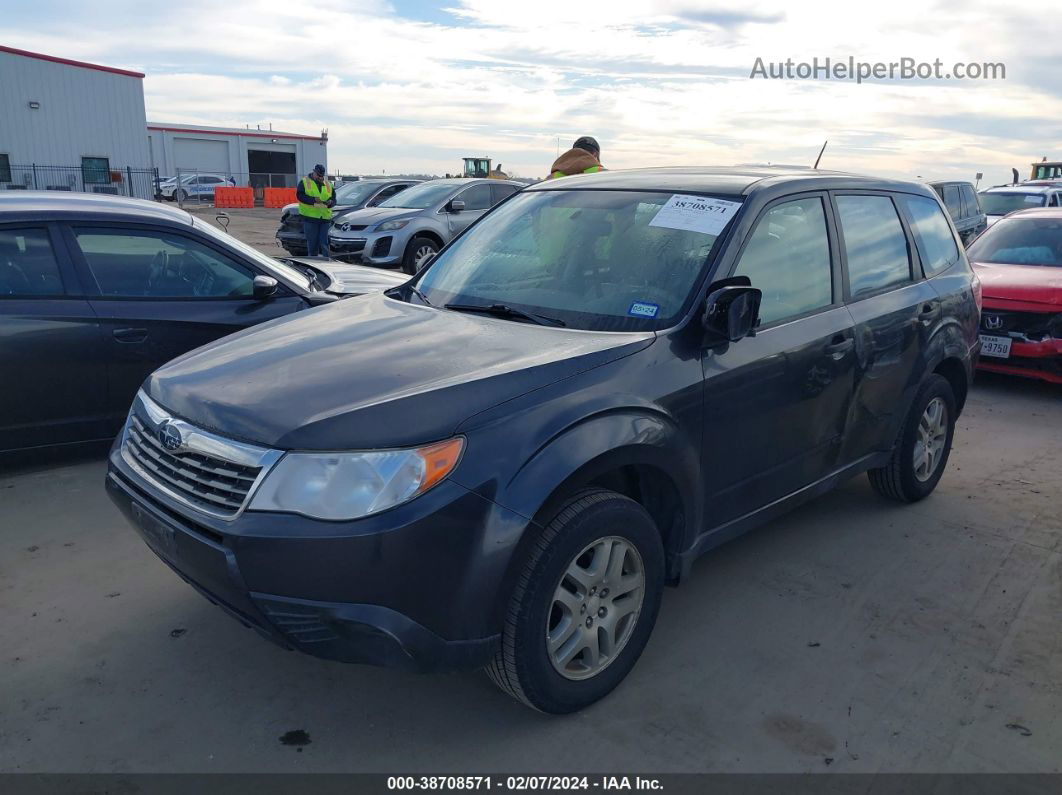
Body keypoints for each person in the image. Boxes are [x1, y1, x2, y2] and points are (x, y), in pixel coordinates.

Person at [296, 164, 336, 256]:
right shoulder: (305, 182)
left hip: (325, 218)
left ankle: (326, 263)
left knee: (324, 243)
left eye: (321, 176)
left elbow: (334, 198)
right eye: (318, 175)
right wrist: (313, 200)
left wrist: (331, 203)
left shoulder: (328, 184)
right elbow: (300, 196)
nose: (320, 177)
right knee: (312, 244)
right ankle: (313, 263)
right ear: (314, 172)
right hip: (310, 218)